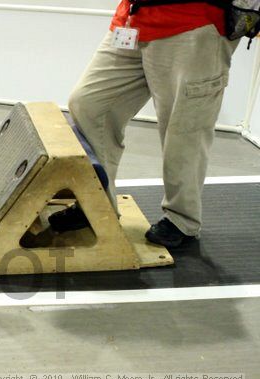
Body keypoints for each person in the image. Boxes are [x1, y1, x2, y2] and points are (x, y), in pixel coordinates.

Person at [48, 0, 241, 248]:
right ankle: (96, 203)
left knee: (184, 128)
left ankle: (182, 220)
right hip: (134, 20)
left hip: (193, 24)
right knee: (89, 104)